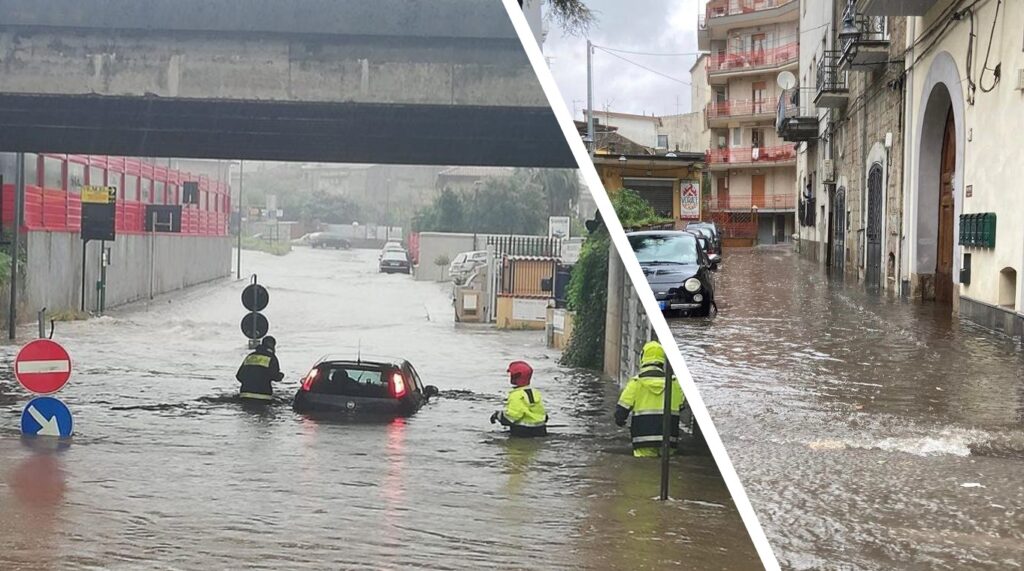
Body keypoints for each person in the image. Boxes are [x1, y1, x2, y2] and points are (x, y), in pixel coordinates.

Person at [614, 341, 684, 457]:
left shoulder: (636, 383)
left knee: (643, 467)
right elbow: (681, 406)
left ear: (643, 357)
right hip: (668, 440)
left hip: (642, 441)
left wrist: (620, 421)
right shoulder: (674, 383)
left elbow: (621, 412)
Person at [490, 360, 548, 437]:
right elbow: (543, 413)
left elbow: (512, 416)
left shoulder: (516, 395)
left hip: (522, 431)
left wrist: (497, 415)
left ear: (514, 377)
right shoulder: (535, 393)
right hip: (540, 429)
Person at [235, 336, 283, 402]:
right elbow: (275, 376)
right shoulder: (271, 357)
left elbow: (239, 376)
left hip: (245, 395)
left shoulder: (250, 356)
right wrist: (280, 376)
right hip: (263, 396)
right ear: (273, 346)